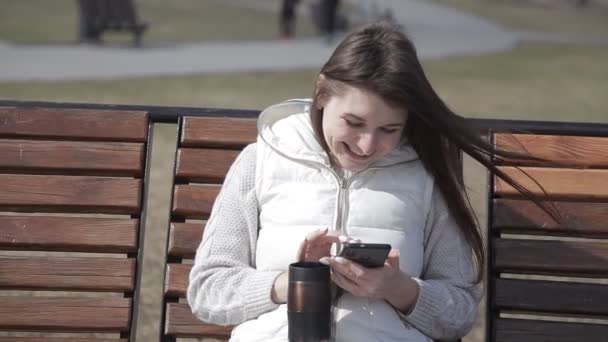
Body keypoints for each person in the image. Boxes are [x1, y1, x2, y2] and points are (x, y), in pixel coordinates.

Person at [187, 21, 544, 342]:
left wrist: (400, 289)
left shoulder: (427, 174)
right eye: (354, 123)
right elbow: (207, 290)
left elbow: (460, 313)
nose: (367, 145)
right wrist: (296, 283)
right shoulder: (262, 158)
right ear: (322, 94)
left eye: (389, 129)